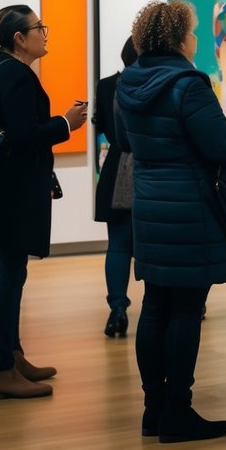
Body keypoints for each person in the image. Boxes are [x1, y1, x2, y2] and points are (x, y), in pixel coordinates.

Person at [116, 0, 226, 443]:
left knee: (154, 306)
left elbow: (127, 139)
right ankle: (178, 412)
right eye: (191, 32)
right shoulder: (190, 84)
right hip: (190, 207)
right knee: (187, 308)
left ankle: (154, 410)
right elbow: (222, 146)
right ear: (178, 38)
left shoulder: (129, 81)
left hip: (149, 206)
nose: (196, 39)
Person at [0, 5, 88, 400]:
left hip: (4, 188)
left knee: (11, 273)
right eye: (39, 28)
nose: (44, 33)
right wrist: (65, 124)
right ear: (19, 38)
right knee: (8, 275)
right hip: (14, 191)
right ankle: (0, 369)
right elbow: (24, 136)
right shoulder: (15, 76)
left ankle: (11, 355)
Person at [94, 36, 139, 338]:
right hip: (150, 166)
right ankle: (158, 309)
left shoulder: (106, 85)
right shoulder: (156, 83)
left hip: (115, 166)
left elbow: (104, 127)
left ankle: (118, 309)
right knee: (153, 244)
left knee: (119, 244)